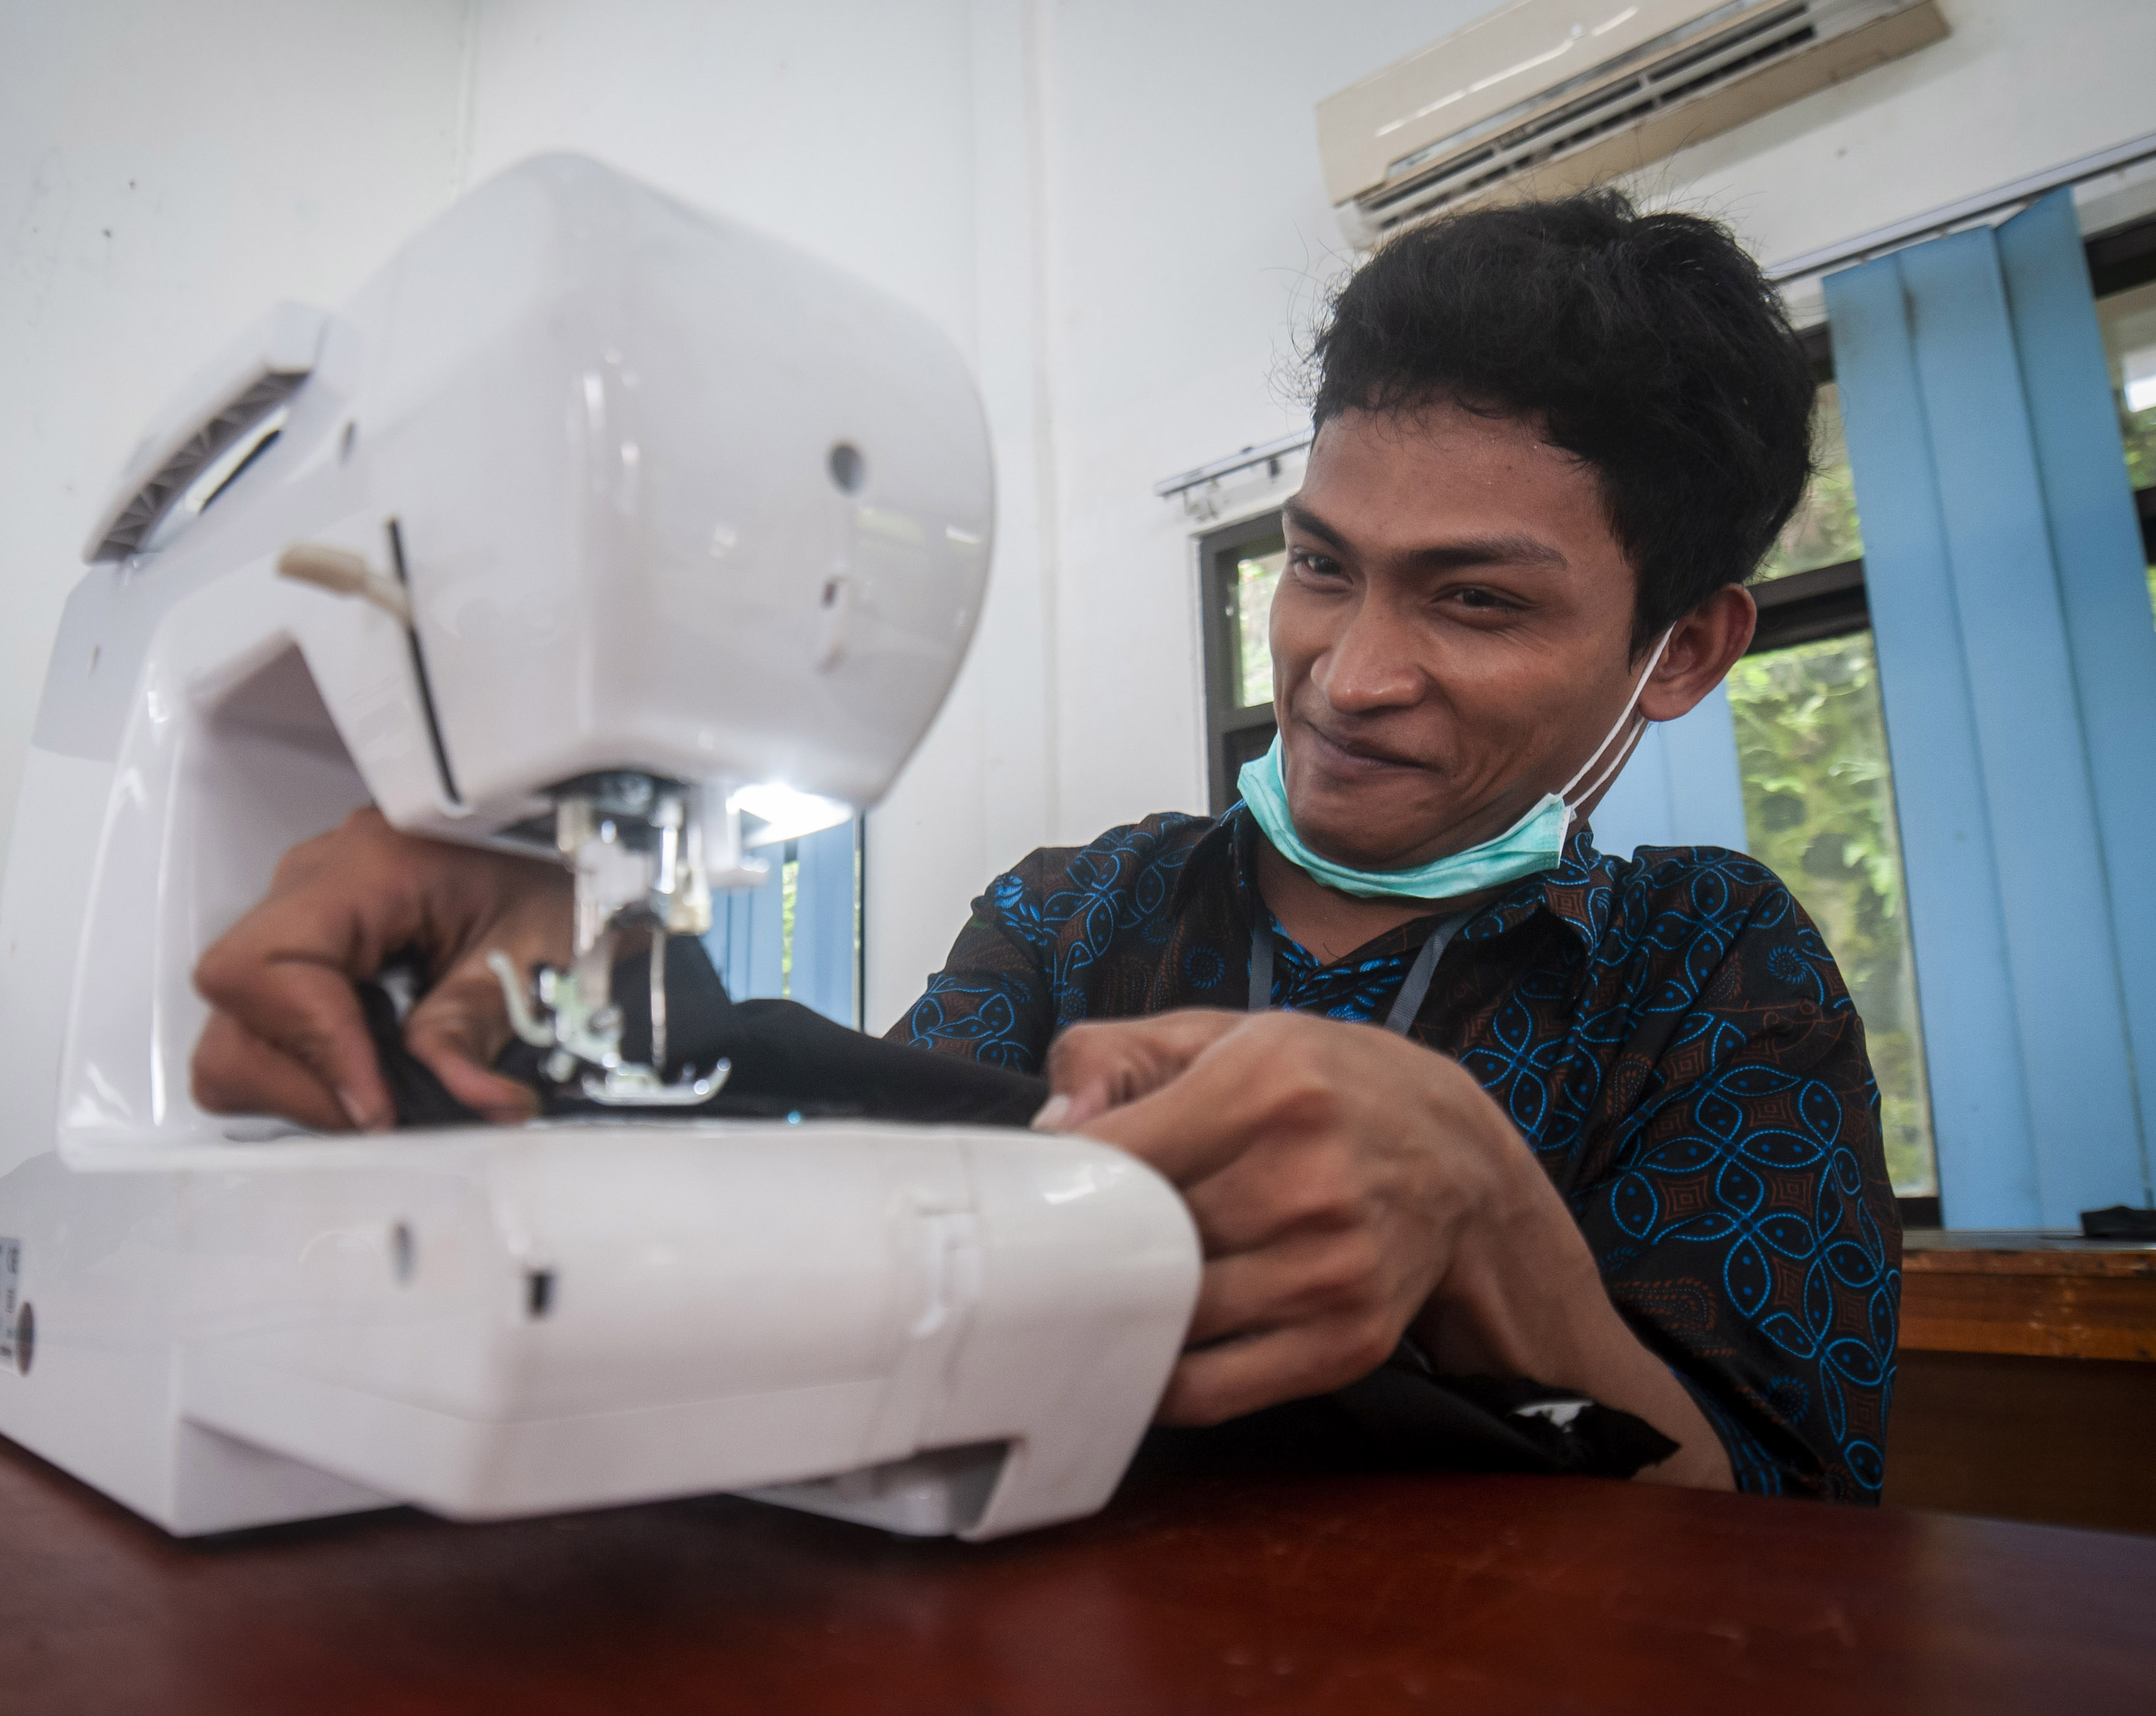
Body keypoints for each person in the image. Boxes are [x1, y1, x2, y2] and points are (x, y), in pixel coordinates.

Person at [183, 191, 1895, 1504]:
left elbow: (1791, 1532)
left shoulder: (1709, 970)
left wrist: (1486, 1218)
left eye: (1474, 598)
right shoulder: (1086, 908)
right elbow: (858, 1201)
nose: (1347, 675)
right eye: (1317, 566)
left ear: (1681, 649)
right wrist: (599, 979)